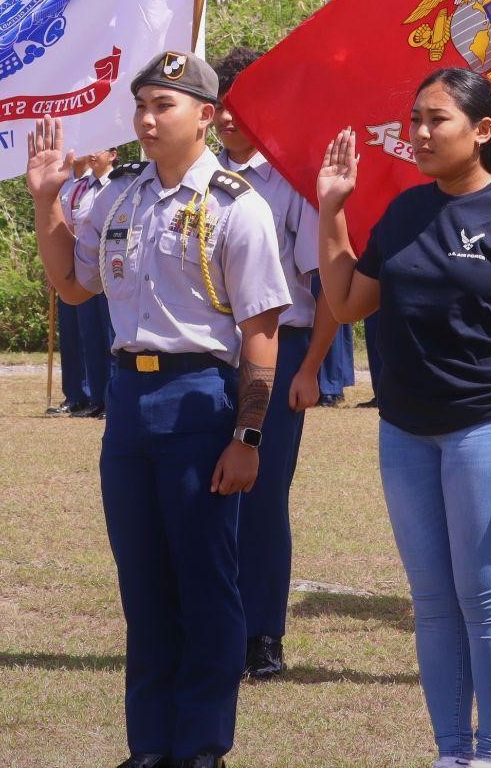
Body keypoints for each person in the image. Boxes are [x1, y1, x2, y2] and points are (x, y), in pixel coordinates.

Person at [27, 51, 288, 768]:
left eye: (163, 104)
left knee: (205, 582)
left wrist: (248, 434)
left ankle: (201, 745)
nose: (146, 117)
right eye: (141, 103)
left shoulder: (240, 206)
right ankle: (149, 746)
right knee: (142, 584)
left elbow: (260, 334)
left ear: (205, 114)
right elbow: (73, 286)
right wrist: (47, 200)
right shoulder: (117, 197)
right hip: (128, 401)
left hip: (200, 396)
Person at [316, 68, 491, 766]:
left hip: (485, 427)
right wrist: (332, 211)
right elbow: (345, 303)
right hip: (404, 431)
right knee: (432, 601)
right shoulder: (403, 211)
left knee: (483, 597)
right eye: (415, 120)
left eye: (437, 120)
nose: (420, 133)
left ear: (482, 130)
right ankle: (450, 751)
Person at [213, 46, 326, 682]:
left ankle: (262, 634)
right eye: (221, 103)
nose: (230, 115)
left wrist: (310, 368)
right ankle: (213, 623)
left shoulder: (289, 182)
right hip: (209, 360)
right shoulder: (198, 182)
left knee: (260, 498)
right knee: (205, 491)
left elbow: (327, 287)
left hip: (278, 359)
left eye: (243, 101)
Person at [49, 150, 118, 418]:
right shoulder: (78, 187)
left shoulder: (117, 186)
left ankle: (108, 398)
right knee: (83, 336)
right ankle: (87, 396)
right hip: (77, 268)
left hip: (106, 270)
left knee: (108, 336)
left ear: (113, 154)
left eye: (98, 148)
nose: (91, 153)